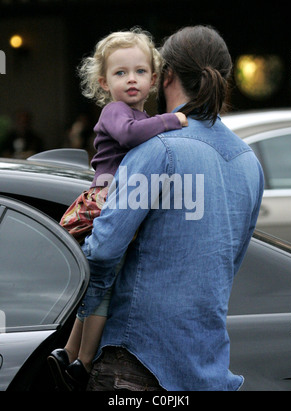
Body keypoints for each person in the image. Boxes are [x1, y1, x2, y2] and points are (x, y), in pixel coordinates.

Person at [75, 24, 265, 391]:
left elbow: (103, 251)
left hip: (138, 361)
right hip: (208, 364)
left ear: (166, 77)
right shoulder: (249, 162)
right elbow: (232, 259)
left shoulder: (156, 151)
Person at [47, 28, 187, 391]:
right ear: (103, 82)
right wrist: (173, 120)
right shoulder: (117, 112)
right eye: (120, 73)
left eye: (140, 72)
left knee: (100, 282)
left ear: (154, 79)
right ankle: (84, 361)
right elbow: (127, 136)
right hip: (106, 203)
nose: (131, 80)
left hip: (124, 203)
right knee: (104, 284)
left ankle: (68, 351)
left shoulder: (143, 120)